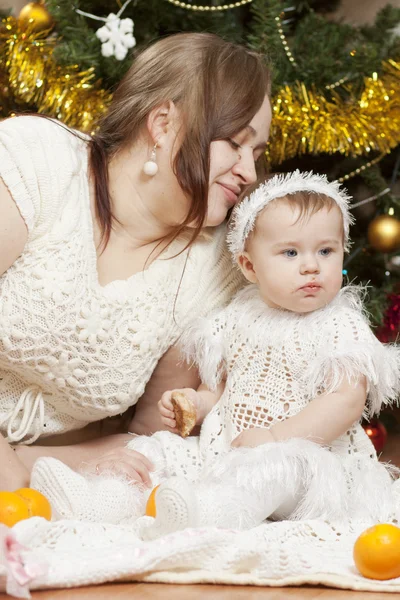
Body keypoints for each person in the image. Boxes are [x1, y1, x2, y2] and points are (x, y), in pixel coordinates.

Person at [31, 171, 400, 533]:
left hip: (310, 463)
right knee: (159, 450)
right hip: (227, 450)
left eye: (325, 250)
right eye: (290, 252)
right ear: (249, 266)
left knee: (275, 472)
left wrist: (276, 438)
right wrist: (196, 403)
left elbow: (346, 400)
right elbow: (222, 389)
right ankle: (95, 501)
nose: (311, 265)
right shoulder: (238, 319)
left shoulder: (338, 324)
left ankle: (204, 514)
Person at [0, 32, 272, 491]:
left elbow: (148, 435)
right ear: (163, 123)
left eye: (257, 154)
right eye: (235, 143)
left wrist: (27, 464)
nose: (249, 172)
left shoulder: (213, 272)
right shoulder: (36, 162)